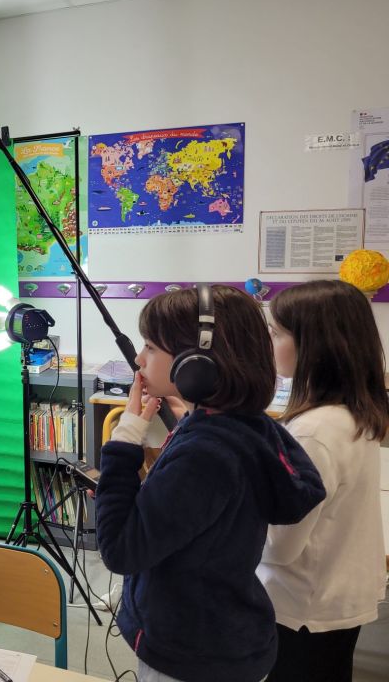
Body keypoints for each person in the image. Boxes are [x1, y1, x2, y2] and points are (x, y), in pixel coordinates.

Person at [95, 284, 326, 682]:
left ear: (196, 363)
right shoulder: (246, 425)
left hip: (189, 654)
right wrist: (190, 417)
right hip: (222, 637)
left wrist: (126, 438)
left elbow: (120, 550)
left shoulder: (204, 455)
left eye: (150, 347)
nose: (138, 359)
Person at [259, 280, 389, 682]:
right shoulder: (352, 413)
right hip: (335, 597)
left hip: (303, 606)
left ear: (314, 346)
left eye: (276, 333)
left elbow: (280, 547)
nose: (268, 342)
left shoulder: (313, 431)